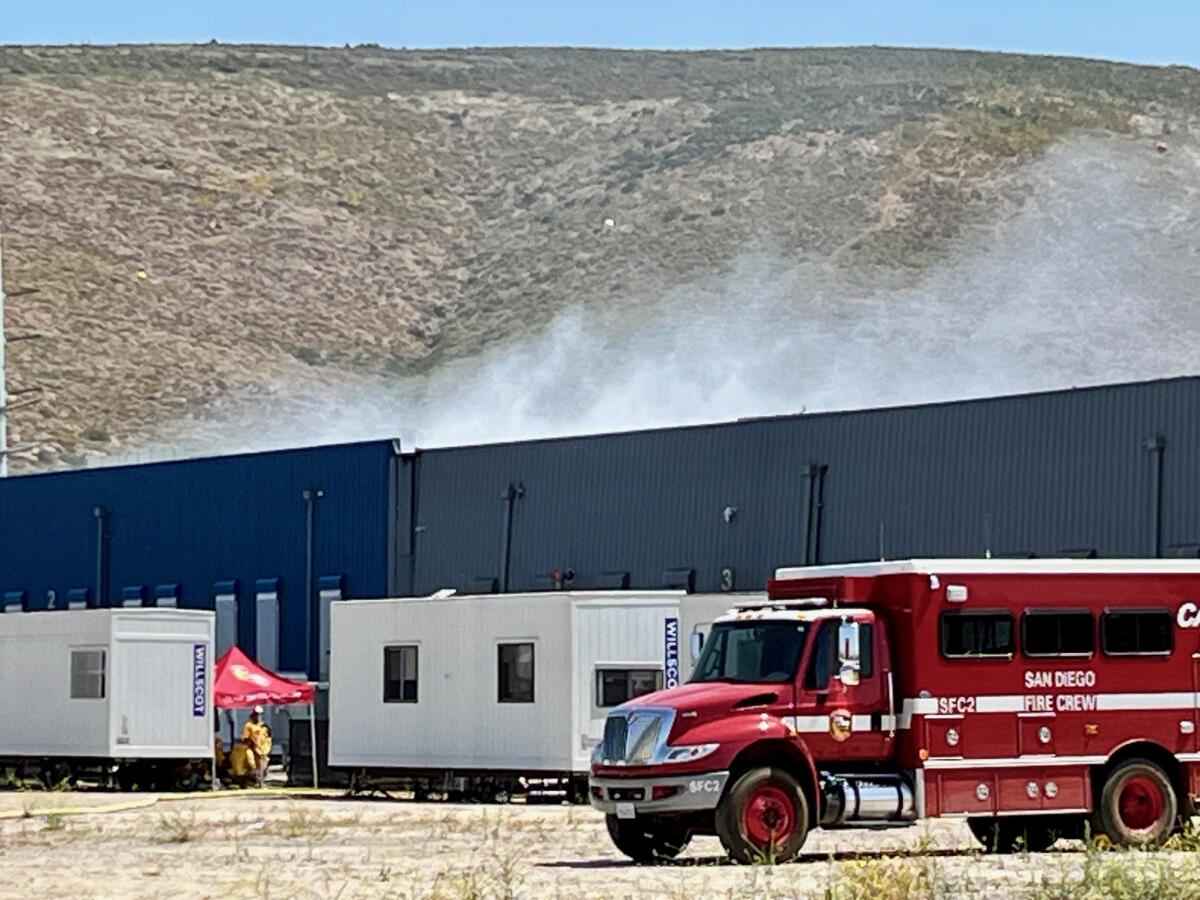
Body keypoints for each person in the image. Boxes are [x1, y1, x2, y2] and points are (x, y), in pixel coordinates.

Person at [240, 705, 272, 787]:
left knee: (264, 767)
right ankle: (257, 781)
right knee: (253, 765)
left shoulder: (265, 726)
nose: (258, 716)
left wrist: (267, 748)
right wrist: (250, 743)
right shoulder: (249, 725)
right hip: (253, 750)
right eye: (256, 714)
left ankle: (261, 782)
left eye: (259, 714)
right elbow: (245, 738)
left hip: (263, 750)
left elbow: (269, 738)